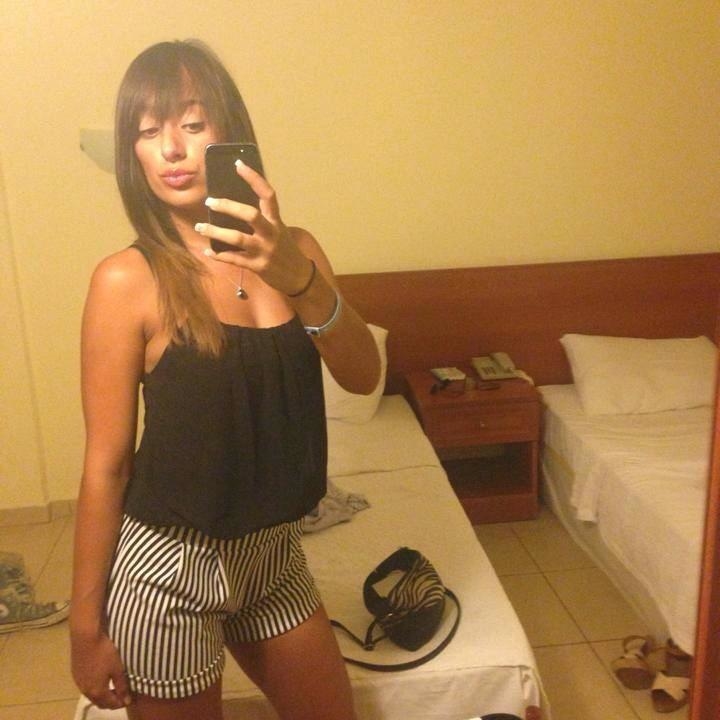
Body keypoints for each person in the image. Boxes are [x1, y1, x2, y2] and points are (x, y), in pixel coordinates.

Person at [70, 39, 380, 720]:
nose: (171, 148)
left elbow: (364, 376)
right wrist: (85, 626)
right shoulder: (127, 280)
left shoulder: (298, 251)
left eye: (192, 122)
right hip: (167, 570)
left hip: (273, 557)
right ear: (132, 154)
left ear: (230, 134)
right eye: (147, 132)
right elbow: (107, 463)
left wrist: (297, 277)